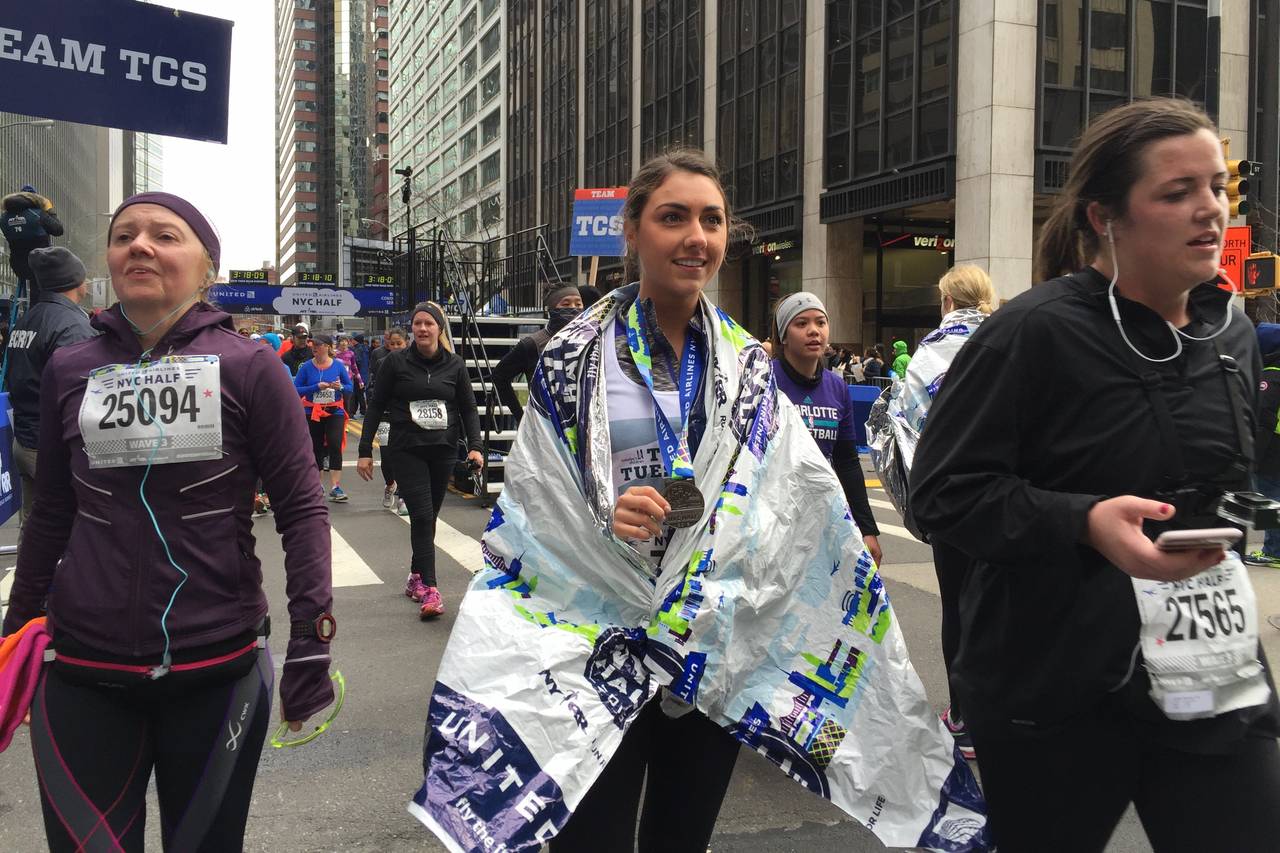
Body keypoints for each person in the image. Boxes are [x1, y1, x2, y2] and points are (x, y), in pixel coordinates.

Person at [410, 150, 988, 853]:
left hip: (710, 647)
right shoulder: (573, 354)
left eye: (711, 220)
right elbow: (533, 503)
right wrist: (603, 520)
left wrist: (845, 546)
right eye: (673, 217)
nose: (696, 236)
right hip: (592, 646)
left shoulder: (748, 362)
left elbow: (794, 494)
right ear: (634, 231)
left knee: (681, 839)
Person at [911, 98, 1280, 852]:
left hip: (1212, 672)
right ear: (1105, 216)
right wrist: (1082, 520)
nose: (1208, 209)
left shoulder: (1232, 332)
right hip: (1052, 688)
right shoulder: (1031, 332)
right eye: (1177, 193)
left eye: (1217, 187)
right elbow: (942, 494)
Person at [0, 191, 335, 851]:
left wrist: (312, 639)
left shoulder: (250, 367)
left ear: (206, 266)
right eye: (125, 235)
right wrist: (15, 634)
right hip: (80, 674)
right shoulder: (73, 366)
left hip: (217, 673)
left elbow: (299, 507)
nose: (140, 246)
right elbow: (53, 516)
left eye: (164, 235)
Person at [881, 264, 998, 761]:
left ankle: (964, 715)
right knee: (999, 606)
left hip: (953, 503)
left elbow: (908, 433)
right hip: (1008, 501)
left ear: (948, 301)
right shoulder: (1012, 338)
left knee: (957, 606)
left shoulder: (929, 353)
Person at [356, 304, 482, 618]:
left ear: (439, 328)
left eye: (429, 323)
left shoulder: (455, 365)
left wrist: (476, 447)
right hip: (406, 449)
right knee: (423, 516)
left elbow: (468, 408)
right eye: (417, 324)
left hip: (442, 449)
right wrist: (363, 451)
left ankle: (415, 576)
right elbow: (375, 406)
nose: (422, 329)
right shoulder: (395, 363)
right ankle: (431, 589)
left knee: (429, 517)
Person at [771, 292, 882, 566]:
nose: (813, 331)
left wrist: (867, 529)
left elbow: (847, 462)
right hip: (773, 520)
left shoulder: (837, 387)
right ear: (784, 336)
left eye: (820, 322)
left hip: (822, 517)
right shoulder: (763, 379)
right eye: (801, 324)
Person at [4, 247, 96, 529]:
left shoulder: (27, 318)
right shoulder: (71, 325)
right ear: (76, 280)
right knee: (75, 526)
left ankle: (29, 573)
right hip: (53, 445)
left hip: (26, 439)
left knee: (34, 523)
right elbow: (82, 394)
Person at [490, 284, 583, 423]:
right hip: (544, 428)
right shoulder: (533, 344)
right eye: (566, 303)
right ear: (551, 309)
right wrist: (520, 416)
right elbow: (499, 376)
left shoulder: (588, 341)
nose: (574, 308)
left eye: (578, 303)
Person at [295, 333, 353, 502]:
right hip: (313, 412)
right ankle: (318, 485)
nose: (314, 347)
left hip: (335, 411)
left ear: (327, 347)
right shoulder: (306, 367)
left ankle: (336, 486)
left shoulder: (338, 366)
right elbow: (295, 389)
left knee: (335, 445)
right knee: (316, 447)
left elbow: (350, 388)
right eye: (313, 344)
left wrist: (339, 387)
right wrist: (315, 387)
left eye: (318, 345)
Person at [1247, 322, 1280, 567]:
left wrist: (1253, 454)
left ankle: (1273, 550)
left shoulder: (1271, 373)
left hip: (1273, 449)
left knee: (1270, 500)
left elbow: (1264, 418)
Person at [368, 327, 408, 509]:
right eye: (392, 344)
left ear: (406, 343)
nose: (396, 347)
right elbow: (374, 388)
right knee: (386, 454)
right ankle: (390, 484)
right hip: (385, 414)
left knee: (406, 455)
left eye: (399, 343)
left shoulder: (415, 362)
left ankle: (404, 496)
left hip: (407, 415)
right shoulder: (381, 361)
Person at [0, 186, 64, 284]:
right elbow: (58, 230)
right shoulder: (38, 214)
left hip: (18, 267)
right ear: (35, 199)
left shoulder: (4, 218)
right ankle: (41, 298)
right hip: (41, 266)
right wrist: (49, 210)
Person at [334, 335, 364, 418]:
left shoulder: (351, 353)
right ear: (339, 343)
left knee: (348, 400)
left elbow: (354, 367)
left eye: (345, 341)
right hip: (337, 380)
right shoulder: (334, 354)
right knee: (338, 399)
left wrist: (360, 380)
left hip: (348, 380)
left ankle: (346, 418)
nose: (344, 343)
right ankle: (338, 417)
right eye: (342, 341)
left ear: (348, 343)